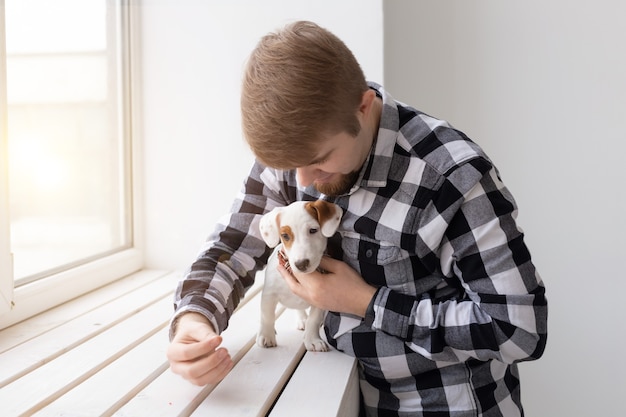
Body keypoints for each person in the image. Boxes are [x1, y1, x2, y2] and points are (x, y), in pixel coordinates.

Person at [166, 20, 548, 416]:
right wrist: (194, 320)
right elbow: (231, 247)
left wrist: (366, 302)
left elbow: (519, 329)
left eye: (318, 161)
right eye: (289, 166)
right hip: (340, 395)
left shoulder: (453, 177)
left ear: (363, 108)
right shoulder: (298, 154)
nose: (302, 182)